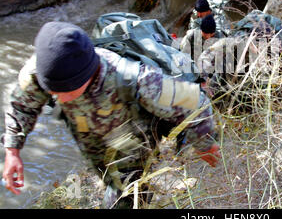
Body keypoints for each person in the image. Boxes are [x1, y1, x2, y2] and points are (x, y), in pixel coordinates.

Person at [1, 21, 220, 208]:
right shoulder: (39, 71)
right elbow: (22, 105)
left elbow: (194, 101)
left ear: (89, 74)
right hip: (92, 135)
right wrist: (12, 150)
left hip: (132, 136)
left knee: (123, 194)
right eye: (52, 92)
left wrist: (205, 142)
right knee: (108, 176)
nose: (60, 99)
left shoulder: (135, 80)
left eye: (67, 91)